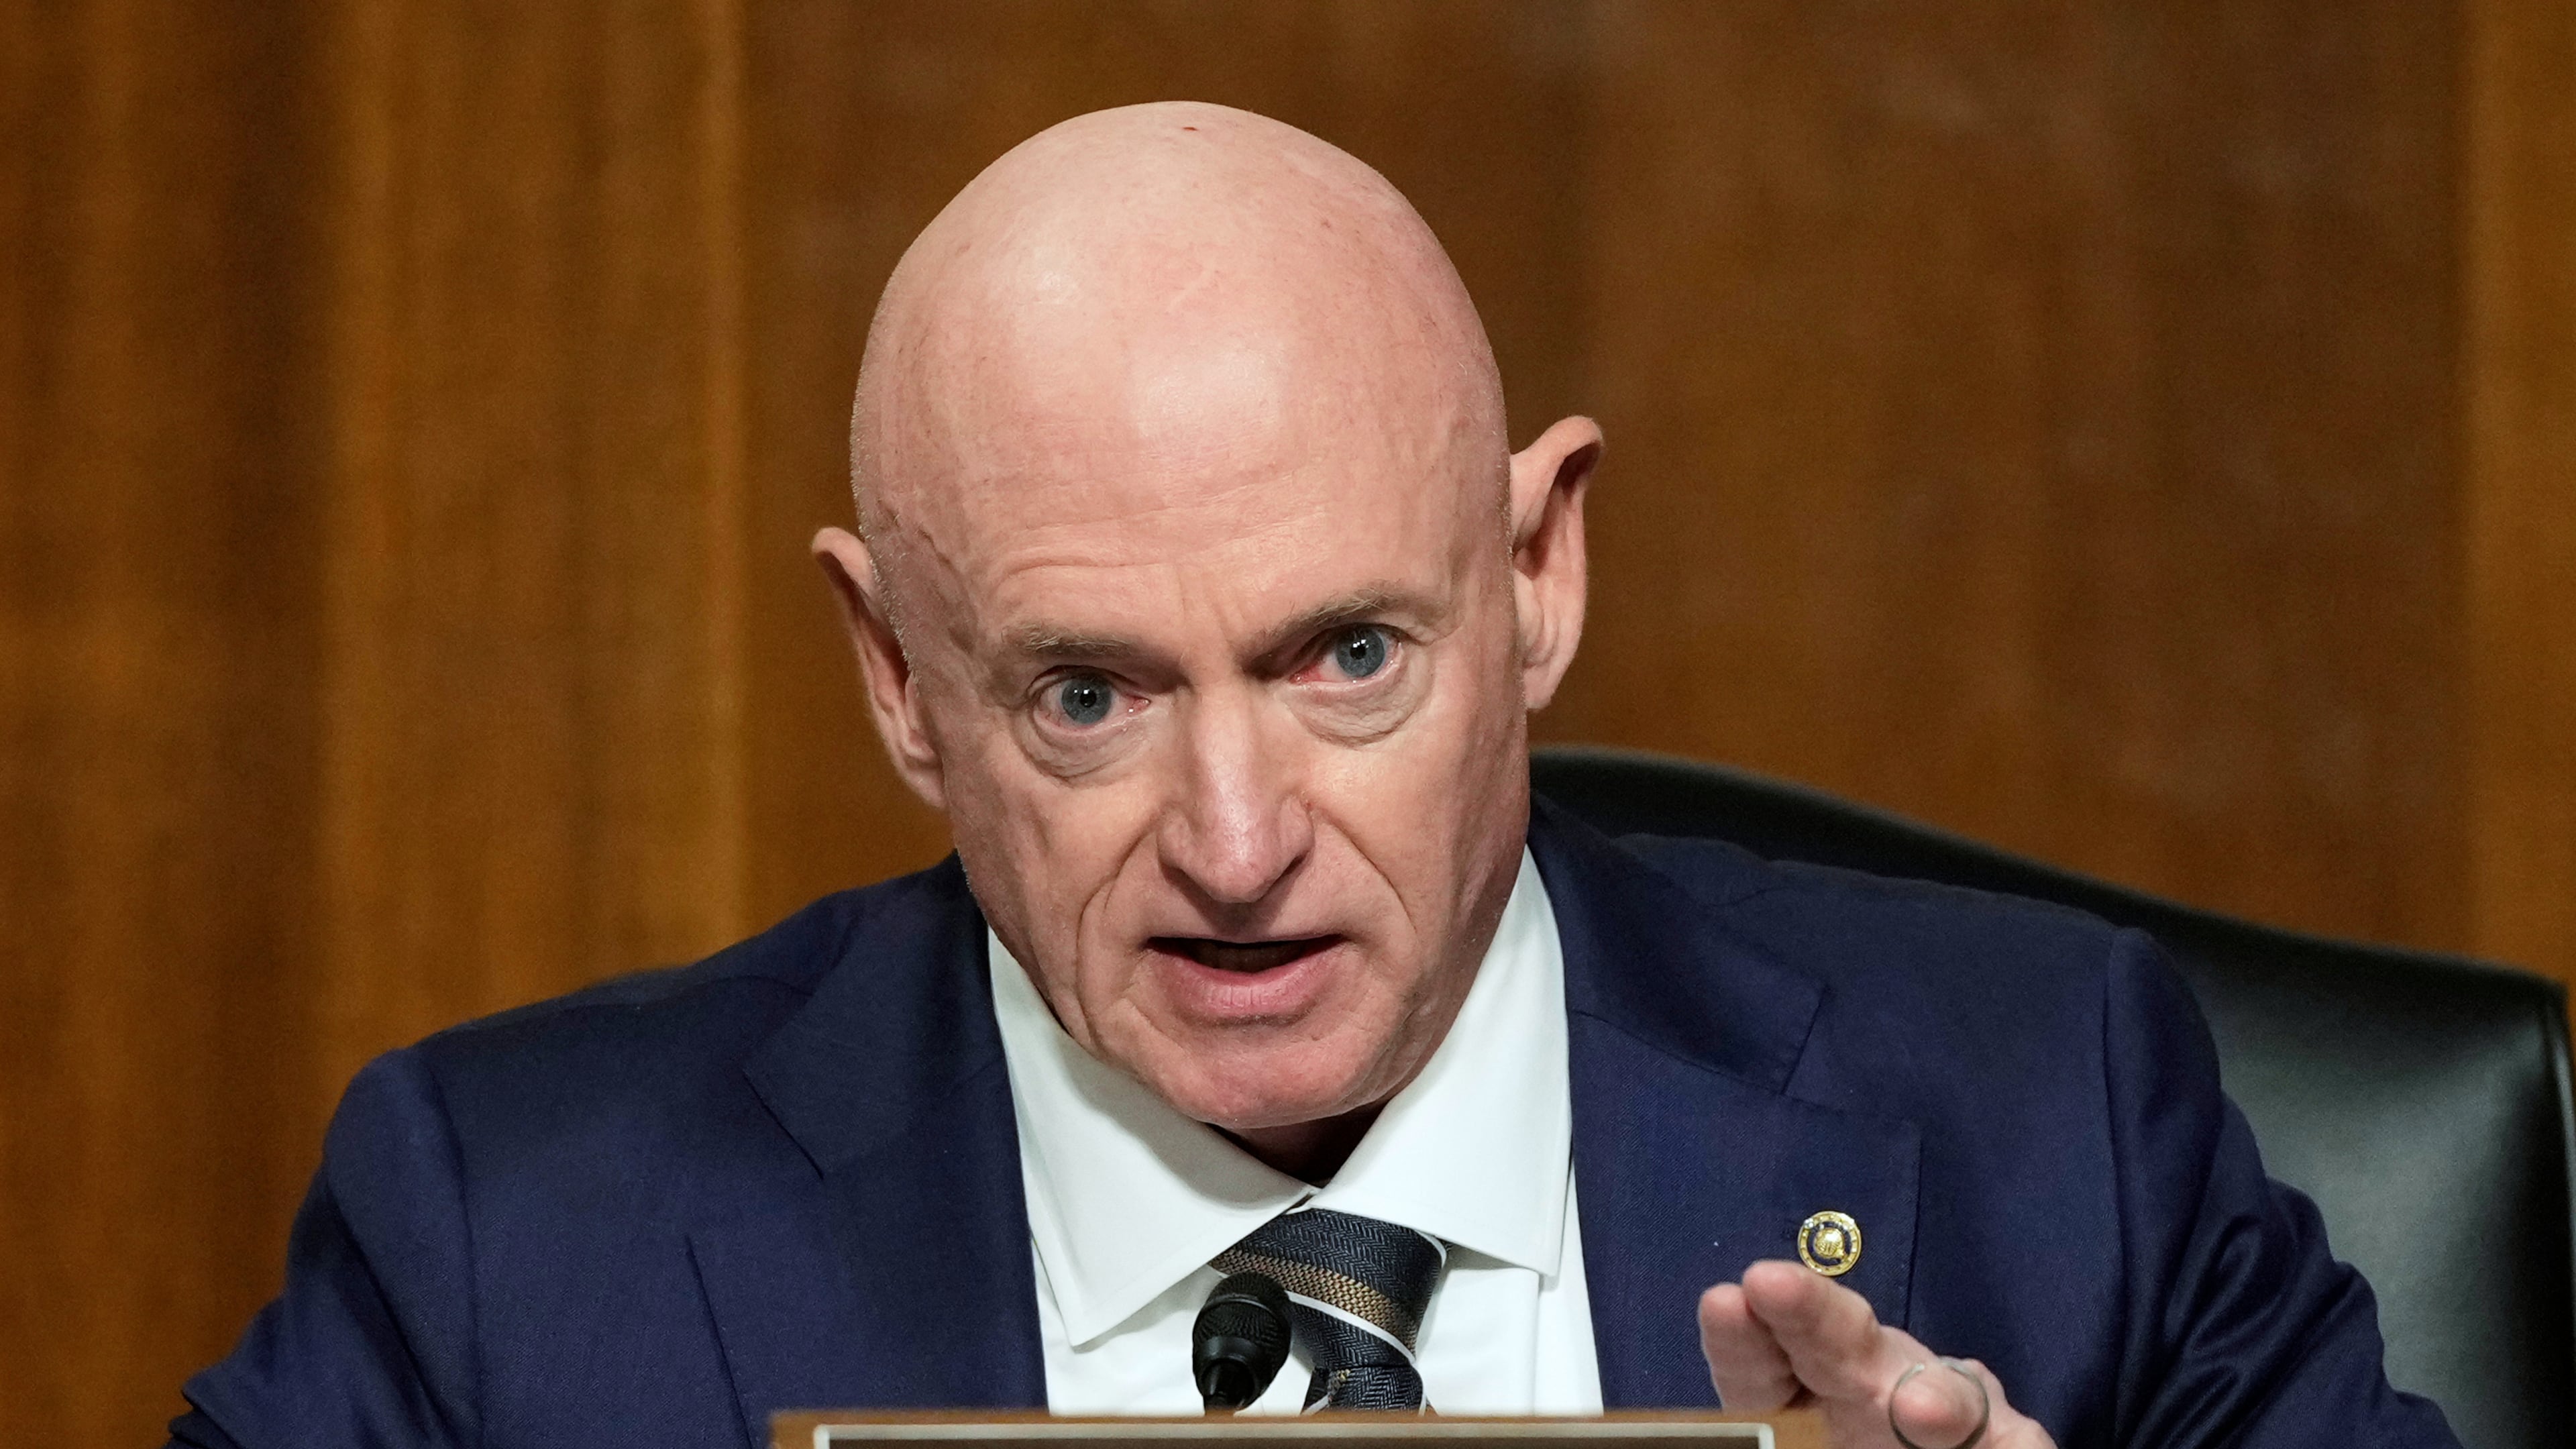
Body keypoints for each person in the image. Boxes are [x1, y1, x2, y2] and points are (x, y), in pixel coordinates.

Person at [170, 102, 2455, 1449]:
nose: (1238, 848)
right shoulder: (506, 1251)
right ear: (894, 678)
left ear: (1540, 576)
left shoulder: (2061, 1124)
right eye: (1088, 697)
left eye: (1347, 656)